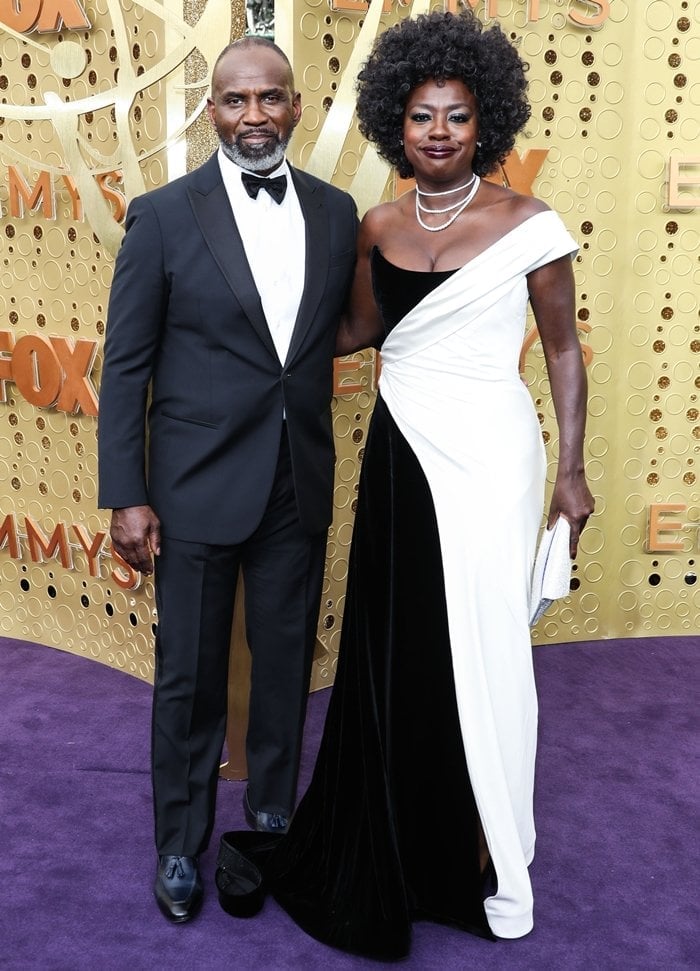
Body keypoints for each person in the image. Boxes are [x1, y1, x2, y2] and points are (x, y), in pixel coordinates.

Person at [218, 9, 594, 959]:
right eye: (422, 115)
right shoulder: (375, 224)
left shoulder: (530, 227)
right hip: (400, 449)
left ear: (486, 122)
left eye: (457, 116)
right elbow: (349, 335)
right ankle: (389, 826)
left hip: (494, 457)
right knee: (396, 643)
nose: (438, 132)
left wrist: (574, 472)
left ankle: (475, 846)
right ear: (398, 121)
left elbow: (562, 352)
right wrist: (243, 335)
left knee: (484, 650)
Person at [97, 36, 357, 923]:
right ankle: (179, 842)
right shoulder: (163, 215)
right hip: (195, 485)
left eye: (271, 98)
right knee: (190, 676)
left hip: (297, 478)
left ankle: (272, 822)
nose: (255, 115)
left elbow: (325, 340)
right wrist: (125, 492)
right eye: (237, 100)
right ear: (212, 111)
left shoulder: (336, 212)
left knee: (286, 666)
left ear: (296, 106)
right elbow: (125, 366)